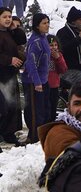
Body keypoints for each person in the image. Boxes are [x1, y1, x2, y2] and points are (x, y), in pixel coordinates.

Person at [21, 12, 51, 143]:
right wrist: (37, 82)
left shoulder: (44, 38)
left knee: (44, 109)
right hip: (33, 81)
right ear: (37, 26)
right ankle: (34, 137)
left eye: (48, 22)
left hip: (43, 80)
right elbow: (31, 63)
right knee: (35, 111)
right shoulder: (35, 42)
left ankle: (40, 135)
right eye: (44, 23)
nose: (47, 25)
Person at [0, 6, 25, 146]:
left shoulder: (9, 32)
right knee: (3, 107)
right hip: (1, 77)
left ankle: (8, 133)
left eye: (10, 16)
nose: (8, 19)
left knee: (12, 107)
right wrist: (10, 60)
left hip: (10, 75)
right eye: (4, 17)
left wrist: (14, 28)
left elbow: (21, 40)